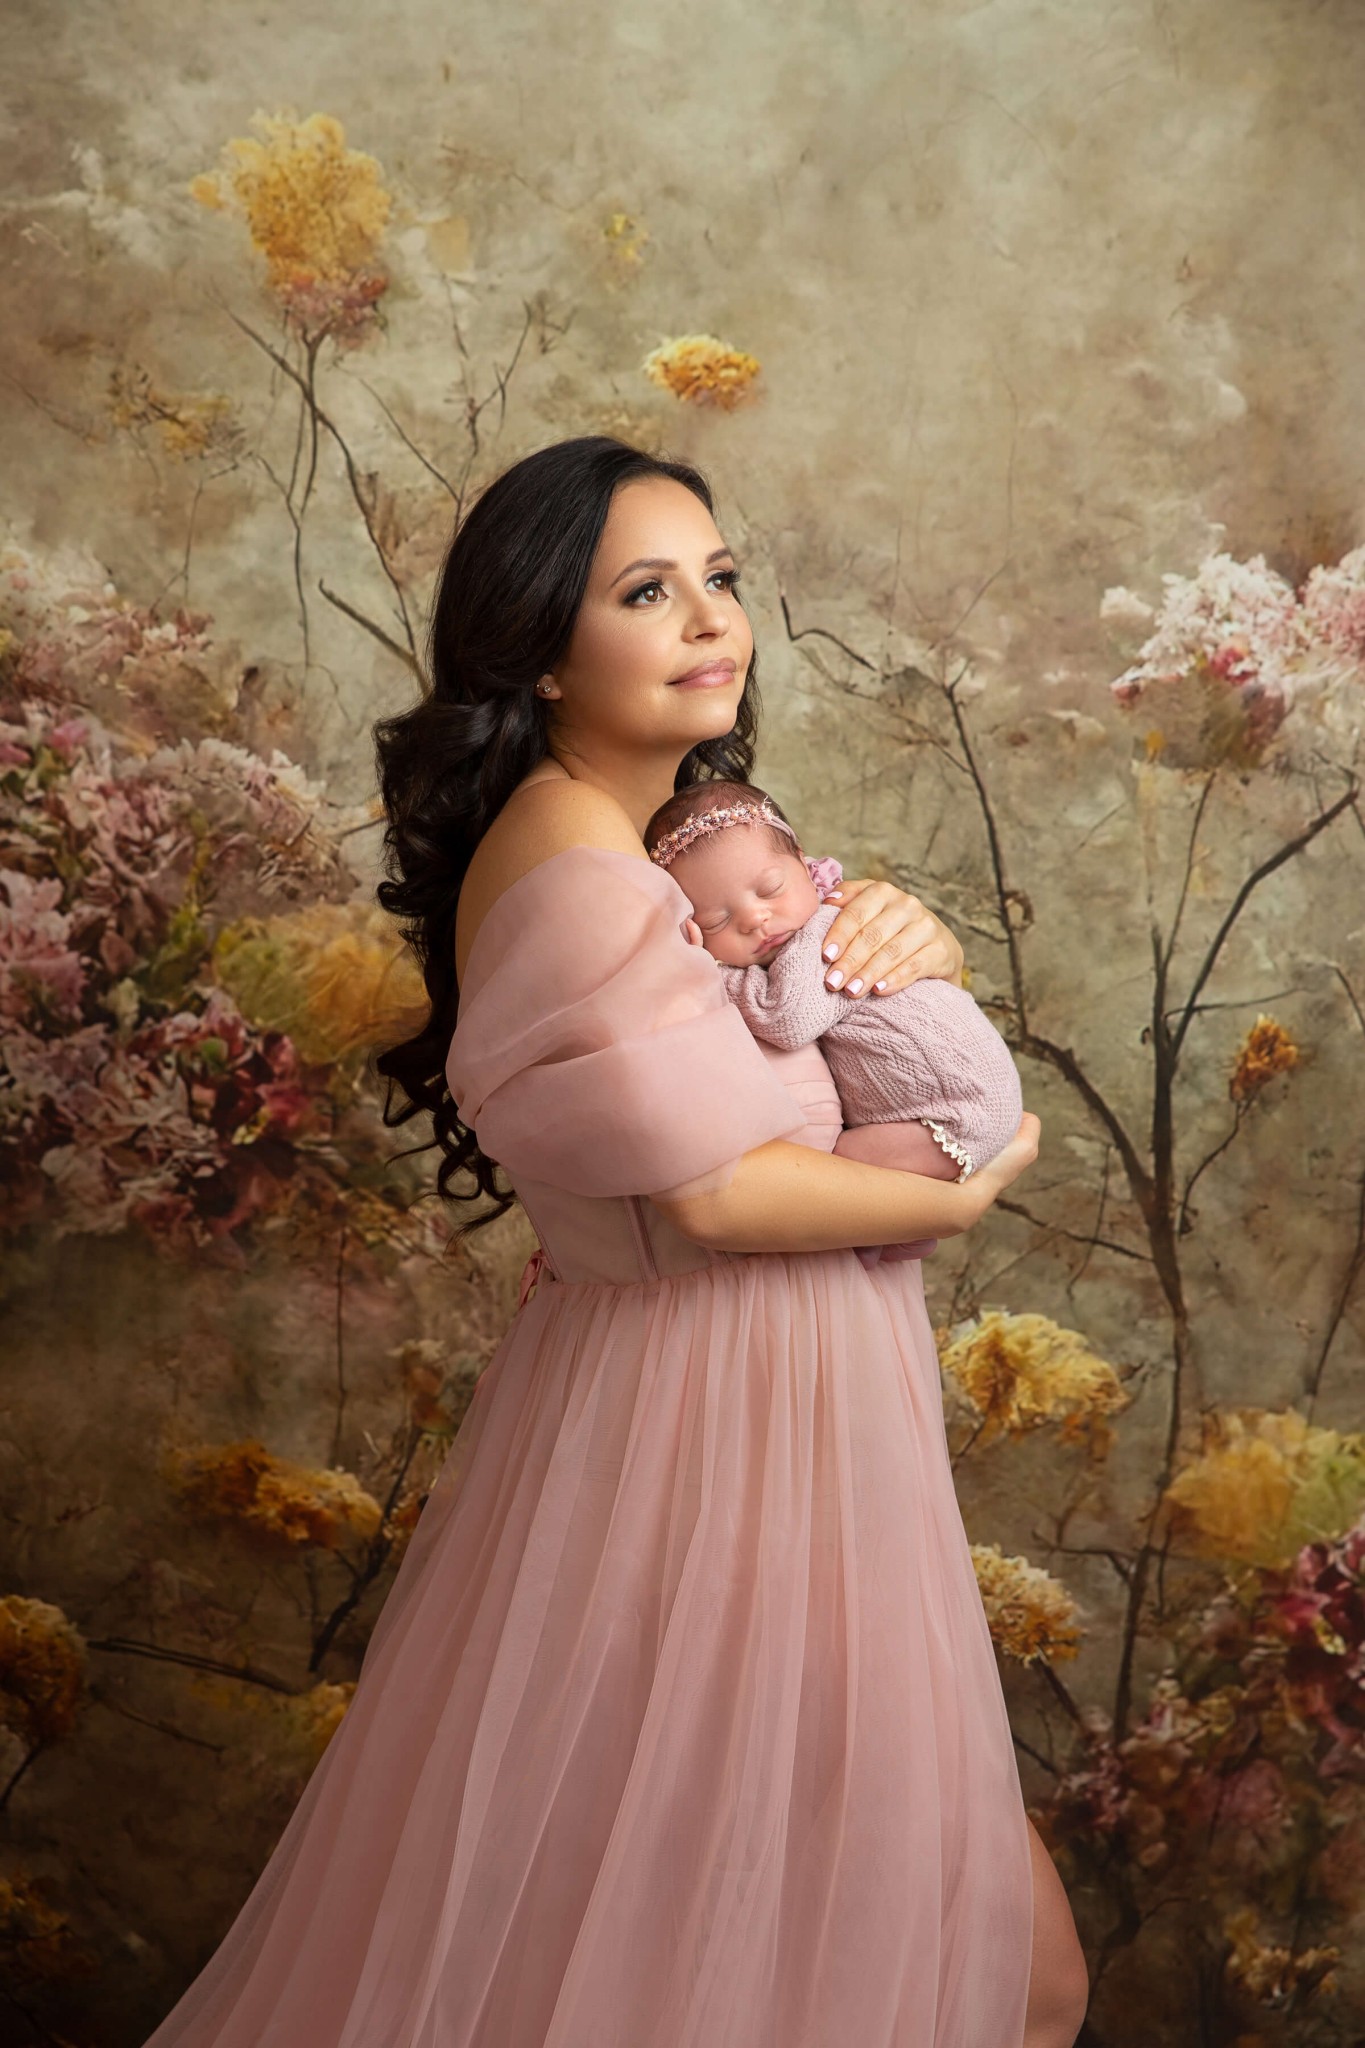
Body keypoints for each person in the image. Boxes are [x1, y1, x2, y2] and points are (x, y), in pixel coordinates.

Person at [141, 436, 1088, 2047]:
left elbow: (827, 1067)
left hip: (778, 1411)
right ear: (539, 650)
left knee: (907, 1963)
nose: (710, 619)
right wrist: (959, 1190)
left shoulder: (672, 838)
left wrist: (900, 943)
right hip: (706, 1432)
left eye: (719, 578)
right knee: (846, 1962)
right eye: (645, 592)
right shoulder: (575, 853)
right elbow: (714, 1193)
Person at [644, 776, 1025, 1269]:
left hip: (953, 1114)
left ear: (805, 865)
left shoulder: (828, 931)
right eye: (716, 920)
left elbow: (785, 1018)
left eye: (770, 889)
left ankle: (888, 1236)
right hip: (964, 1101)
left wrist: (708, 967)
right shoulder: (795, 932)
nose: (755, 919)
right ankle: (900, 1238)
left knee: (834, 1170)